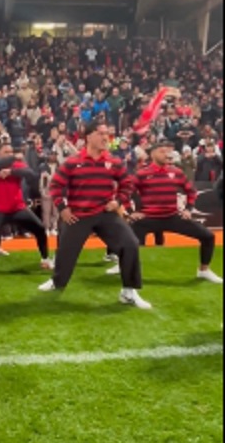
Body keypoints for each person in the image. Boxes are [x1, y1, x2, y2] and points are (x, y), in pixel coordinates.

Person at [38, 121, 150, 308]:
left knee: (130, 243)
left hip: (105, 213)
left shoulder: (114, 161)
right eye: (101, 133)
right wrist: (63, 208)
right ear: (88, 136)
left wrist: (118, 202)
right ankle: (57, 281)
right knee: (66, 250)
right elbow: (55, 185)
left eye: (107, 134)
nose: (106, 137)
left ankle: (129, 291)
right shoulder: (72, 162)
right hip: (78, 214)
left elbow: (128, 184)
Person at [117, 140, 223, 283]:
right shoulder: (142, 173)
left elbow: (191, 191)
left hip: (172, 216)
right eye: (162, 151)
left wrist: (188, 209)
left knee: (208, 236)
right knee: (125, 240)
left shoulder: (176, 172)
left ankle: (204, 271)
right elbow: (125, 192)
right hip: (148, 218)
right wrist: (130, 212)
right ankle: (120, 266)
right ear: (152, 154)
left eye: (168, 152)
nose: (166, 154)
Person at [0, 143, 52, 270]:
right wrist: (13, 158)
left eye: (11, 152)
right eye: (6, 152)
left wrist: (12, 172)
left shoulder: (16, 166)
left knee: (40, 228)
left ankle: (45, 259)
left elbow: (31, 174)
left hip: (17, 208)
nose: (10, 154)